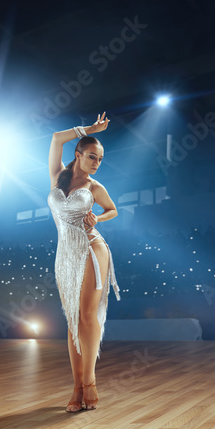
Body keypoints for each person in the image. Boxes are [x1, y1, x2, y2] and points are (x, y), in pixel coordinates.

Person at [47, 112, 121, 412]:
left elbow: (113, 210)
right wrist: (88, 129)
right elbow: (55, 139)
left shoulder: (94, 188)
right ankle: (76, 387)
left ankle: (88, 382)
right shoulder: (57, 176)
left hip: (92, 247)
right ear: (77, 154)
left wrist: (97, 218)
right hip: (65, 253)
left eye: (100, 159)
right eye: (92, 156)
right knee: (72, 321)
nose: (96, 162)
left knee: (88, 317)